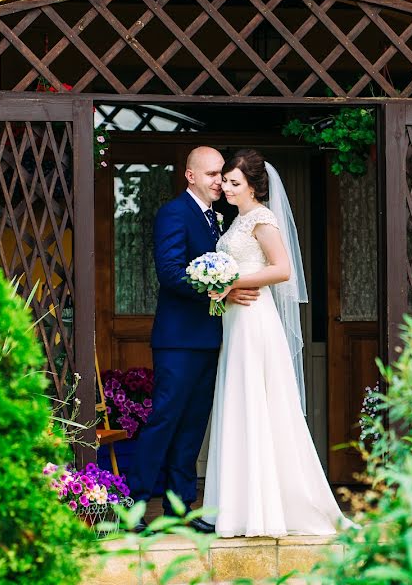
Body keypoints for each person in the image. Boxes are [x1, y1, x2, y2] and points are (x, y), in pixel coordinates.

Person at [202, 149, 354, 537]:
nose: (227, 187)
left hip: (255, 320)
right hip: (235, 321)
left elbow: (282, 269)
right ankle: (236, 509)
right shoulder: (235, 222)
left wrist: (231, 282)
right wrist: (218, 286)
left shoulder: (263, 219)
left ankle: (266, 509)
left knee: (257, 400)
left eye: (235, 183)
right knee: (238, 401)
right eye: (226, 182)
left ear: (253, 186)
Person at [126, 146, 259, 533]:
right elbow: (169, 272)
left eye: (223, 175)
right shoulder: (174, 213)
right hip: (178, 339)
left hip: (209, 337)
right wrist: (221, 290)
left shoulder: (216, 219)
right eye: (212, 174)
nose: (219, 181)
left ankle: (179, 511)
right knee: (165, 420)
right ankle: (132, 508)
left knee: (193, 426)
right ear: (191, 176)